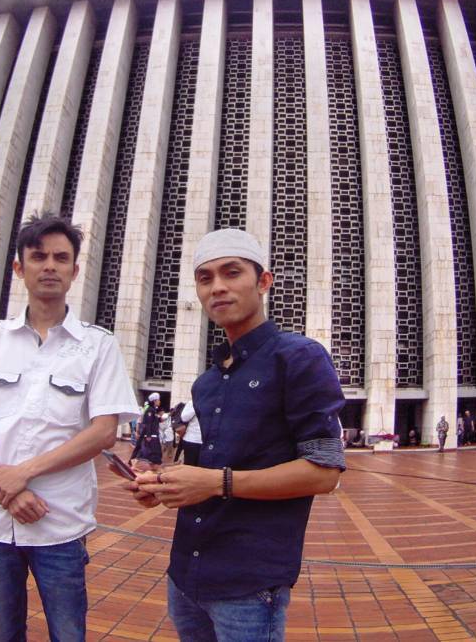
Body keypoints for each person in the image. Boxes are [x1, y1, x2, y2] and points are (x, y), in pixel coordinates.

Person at [122, 228, 345, 641]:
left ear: (263, 282)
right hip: (185, 575)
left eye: (231, 273)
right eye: (205, 278)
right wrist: (164, 486)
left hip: (248, 585)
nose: (218, 287)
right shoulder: (207, 382)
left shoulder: (298, 358)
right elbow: (201, 473)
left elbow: (324, 472)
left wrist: (214, 482)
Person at [0, 213, 138, 642]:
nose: (49, 266)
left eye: (60, 257)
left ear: (74, 270)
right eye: (38, 257)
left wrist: (24, 473)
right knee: (4, 632)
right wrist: (6, 484)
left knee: (68, 633)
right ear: (20, 268)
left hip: (60, 525)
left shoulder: (98, 345)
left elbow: (104, 430)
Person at [131, 393, 163, 470]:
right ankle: (139, 465)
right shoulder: (150, 410)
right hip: (151, 436)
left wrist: (159, 419)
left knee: (152, 452)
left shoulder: (153, 410)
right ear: (154, 401)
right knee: (151, 452)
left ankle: (150, 466)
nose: (159, 401)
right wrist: (148, 435)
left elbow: (153, 421)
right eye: (158, 400)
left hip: (154, 435)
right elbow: (148, 423)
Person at [175, 401, 202, 466]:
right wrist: (197, 405)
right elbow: (184, 418)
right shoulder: (193, 402)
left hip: (207, 442)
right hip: (192, 440)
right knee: (189, 467)